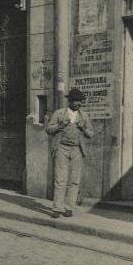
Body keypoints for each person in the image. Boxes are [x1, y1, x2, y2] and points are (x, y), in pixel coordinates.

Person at [46, 87, 93, 218]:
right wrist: (60, 126)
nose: (79, 103)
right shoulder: (60, 113)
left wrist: (83, 128)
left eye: (80, 101)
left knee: (74, 180)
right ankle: (57, 208)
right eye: (76, 101)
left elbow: (91, 134)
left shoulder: (84, 116)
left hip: (77, 149)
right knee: (60, 179)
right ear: (70, 101)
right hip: (61, 148)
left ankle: (69, 207)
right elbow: (49, 129)